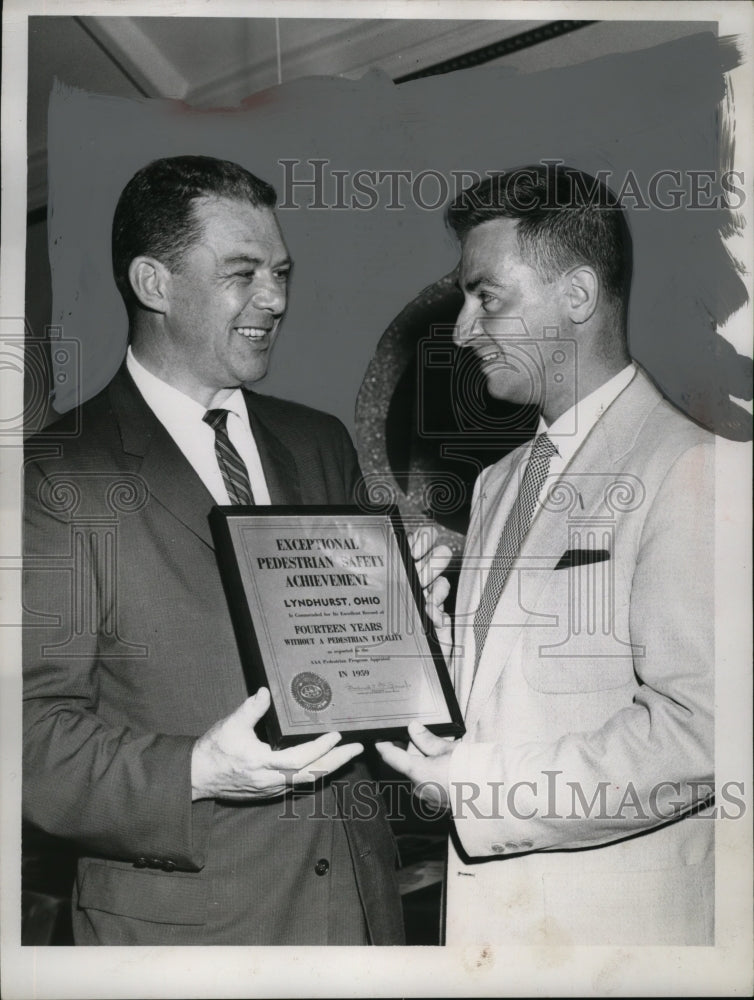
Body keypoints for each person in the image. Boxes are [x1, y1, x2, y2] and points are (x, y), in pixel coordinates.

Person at [23, 155, 406, 946]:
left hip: (361, 922)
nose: (275, 299)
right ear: (153, 283)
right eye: (243, 273)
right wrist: (199, 767)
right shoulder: (56, 475)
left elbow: (354, 667)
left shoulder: (319, 442)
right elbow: (24, 734)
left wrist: (411, 628)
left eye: (282, 272)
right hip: (187, 938)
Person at [378, 163, 715, 946]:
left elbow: (704, 735)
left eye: (486, 296)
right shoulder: (499, 482)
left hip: (613, 940)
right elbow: (501, 698)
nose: (462, 330)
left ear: (578, 296)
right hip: (489, 934)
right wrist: (417, 639)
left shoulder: (692, 467)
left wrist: (478, 788)